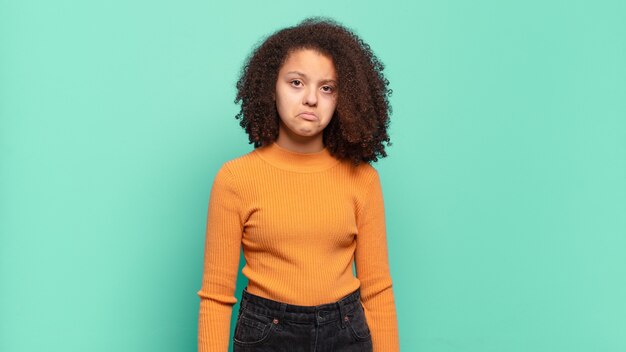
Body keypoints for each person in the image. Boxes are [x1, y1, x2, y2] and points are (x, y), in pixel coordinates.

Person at [197, 17, 399, 352]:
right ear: (270, 88)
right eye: (296, 83)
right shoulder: (235, 179)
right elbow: (216, 297)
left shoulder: (362, 180)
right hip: (267, 334)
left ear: (342, 100)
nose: (311, 99)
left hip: (346, 333)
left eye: (326, 88)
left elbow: (377, 290)